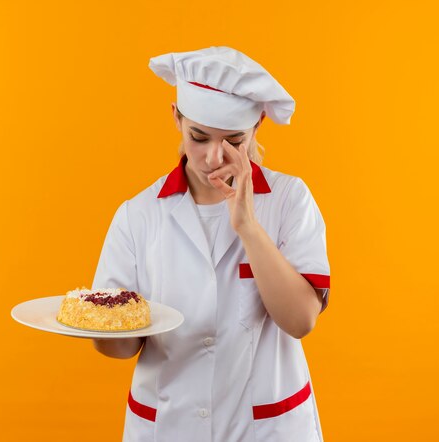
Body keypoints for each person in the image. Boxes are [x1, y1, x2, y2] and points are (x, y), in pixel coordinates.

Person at [91, 46, 331, 442]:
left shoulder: (290, 199)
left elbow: (300, 320)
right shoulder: (138, 215)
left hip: (266, 428)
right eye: (198, 137)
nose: (213, 157)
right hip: (169, 425)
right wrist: (101, 329)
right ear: (176, 118)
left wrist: (248, 227)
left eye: (233, 141)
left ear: (257, 129)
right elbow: (118, 349)